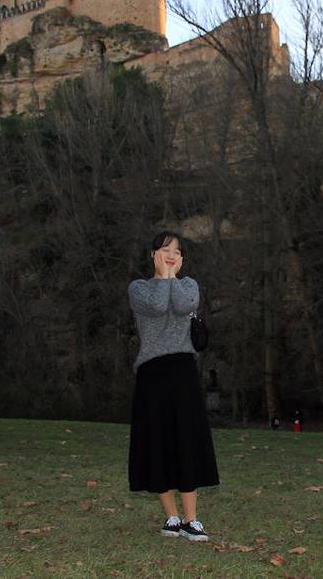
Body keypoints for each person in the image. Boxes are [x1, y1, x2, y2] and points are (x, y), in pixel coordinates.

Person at [127, 230, 220, 542]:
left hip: (182, 371)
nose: (171, 254)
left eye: (177, 251)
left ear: (183, 259)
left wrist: (172, 277)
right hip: (152, 374)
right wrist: (164, 276)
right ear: (153, 253)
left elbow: (181, 306)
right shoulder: (138, 288)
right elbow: (154, 307)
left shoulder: (189, 286)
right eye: (166, 249)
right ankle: (171, 517)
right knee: (157, 443)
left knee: (186, 441)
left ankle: (192, 521)